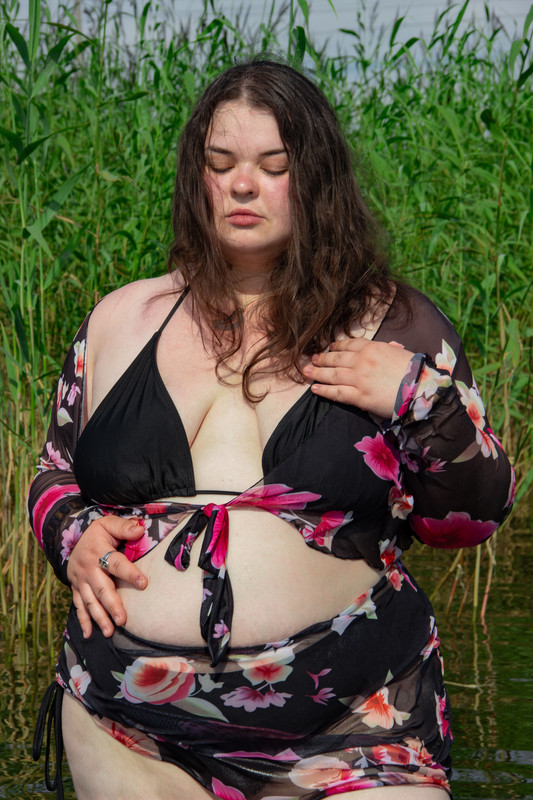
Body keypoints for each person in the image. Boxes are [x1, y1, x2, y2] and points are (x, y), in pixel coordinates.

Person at [29, 60, 514, 800]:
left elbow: (474, 517)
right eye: (220, 164)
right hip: (130, 723)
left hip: (354, 723)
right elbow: (54, 471)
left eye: (273, 167)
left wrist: (422, 397)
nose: (243, 185)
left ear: (316, 178)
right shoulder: (119, 319)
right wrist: (73, 537)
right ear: (196, 178)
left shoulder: (396, 325)